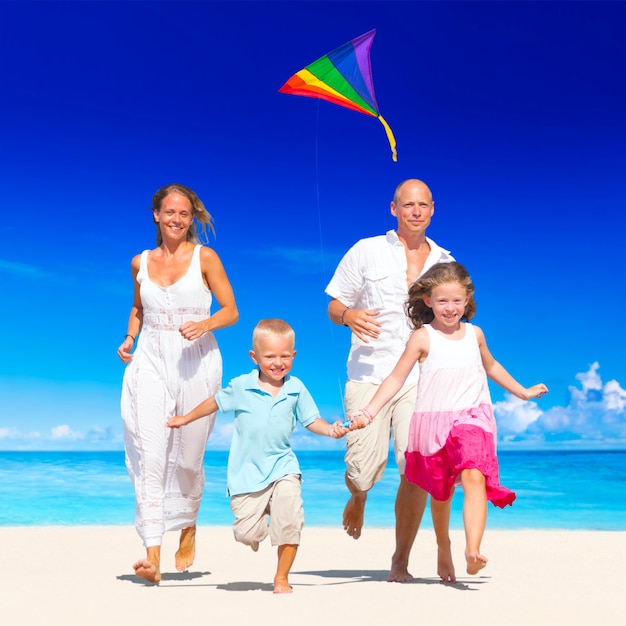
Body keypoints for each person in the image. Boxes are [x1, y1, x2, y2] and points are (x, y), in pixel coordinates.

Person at [349, 262, 548, 582]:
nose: (450, 308)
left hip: (473, 416)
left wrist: (522, 393)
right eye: (442, 301)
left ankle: (472, 549)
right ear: (428, 301)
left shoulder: (475, 334)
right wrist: (369, 412)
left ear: (468, 299)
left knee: (474, 474)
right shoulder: (422, 337)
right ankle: (444, 545)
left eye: (457, 301)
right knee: (440, 493)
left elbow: (492, 366)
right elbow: (396, 378)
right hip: (432, 423)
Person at [325, 178, 454, 582]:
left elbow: (454, 323)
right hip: (368, 374)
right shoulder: (366, 250)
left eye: (422, 205)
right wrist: (348, 316)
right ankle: (358, 495)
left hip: (421, 378)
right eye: (407, 204)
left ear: (433, 209)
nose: (415, 211)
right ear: (393, 209)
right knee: (363, 470)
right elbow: (333, 304)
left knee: (415, 467)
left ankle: (400, 561)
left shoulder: (446, 263)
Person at [168, 319, 353, 594]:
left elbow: (312, 420)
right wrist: (185, 418)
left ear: (294, 356)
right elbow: (214, 403)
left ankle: (281, 578)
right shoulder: (242, 386)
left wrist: (331, 430)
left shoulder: (296, 388)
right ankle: (262, 518)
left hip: (283, 467)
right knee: (247, 534)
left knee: (289, 519)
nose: (278, 363)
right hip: (246, 475)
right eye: (270, 357)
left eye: (284, 356)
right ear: (254, 357)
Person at [117, 183, 239, 584]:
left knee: (188, 458)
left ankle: (188, 524)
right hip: (150, 359)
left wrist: (205, 323)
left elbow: (231, 311)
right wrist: (130, 338)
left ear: (192, 218)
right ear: (157, 215)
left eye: (184, 214)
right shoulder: (140, 262)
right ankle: (152, 554)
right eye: (170, 212)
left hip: (197, 361)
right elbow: (138, 307)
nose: (177, 219)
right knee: (150, 454)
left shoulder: (205, 257)